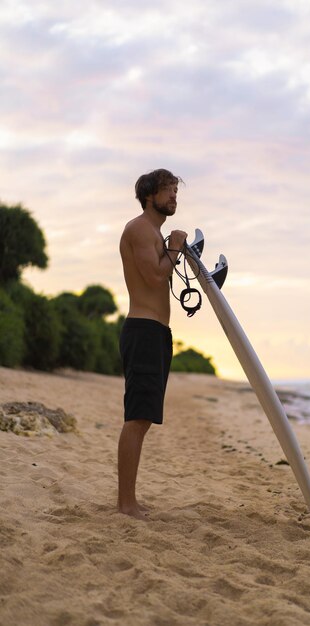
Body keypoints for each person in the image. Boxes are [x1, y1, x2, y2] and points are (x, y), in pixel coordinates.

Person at [118, 168, 187, 519]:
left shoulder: (156, 235)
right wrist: (175, 247)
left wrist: (173, 247)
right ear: (150, 195)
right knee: (137, 417)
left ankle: (129, 500)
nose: (174, 196)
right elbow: (154, 274)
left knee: (143, 418)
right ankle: (125, 504)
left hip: (157, 332)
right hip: (143, 329)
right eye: (168, 190)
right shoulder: (139, 229)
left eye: (176, 191)